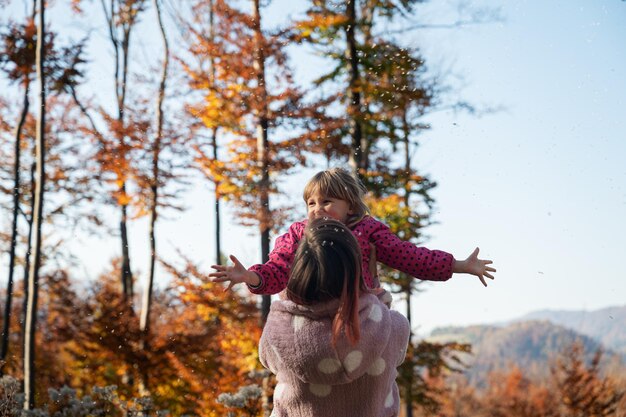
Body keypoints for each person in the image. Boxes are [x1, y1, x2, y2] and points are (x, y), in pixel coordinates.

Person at [210, 167, 496, 294]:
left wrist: (457, 265)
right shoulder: (298, 234)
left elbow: (408, 256)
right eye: (311, 202)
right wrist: (251, 276)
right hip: (313, 304)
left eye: (327, 201)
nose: (317, 208)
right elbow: (279, 269)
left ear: (349, 205)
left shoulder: (366, 229)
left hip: (360, 304)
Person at [259, 218, 410, 417]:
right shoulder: (394, 327)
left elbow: (267, 360)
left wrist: (290, 296)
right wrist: (373, 290)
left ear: (299, 270)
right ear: (357, 269)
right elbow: (379, 331)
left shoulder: (277, 331)